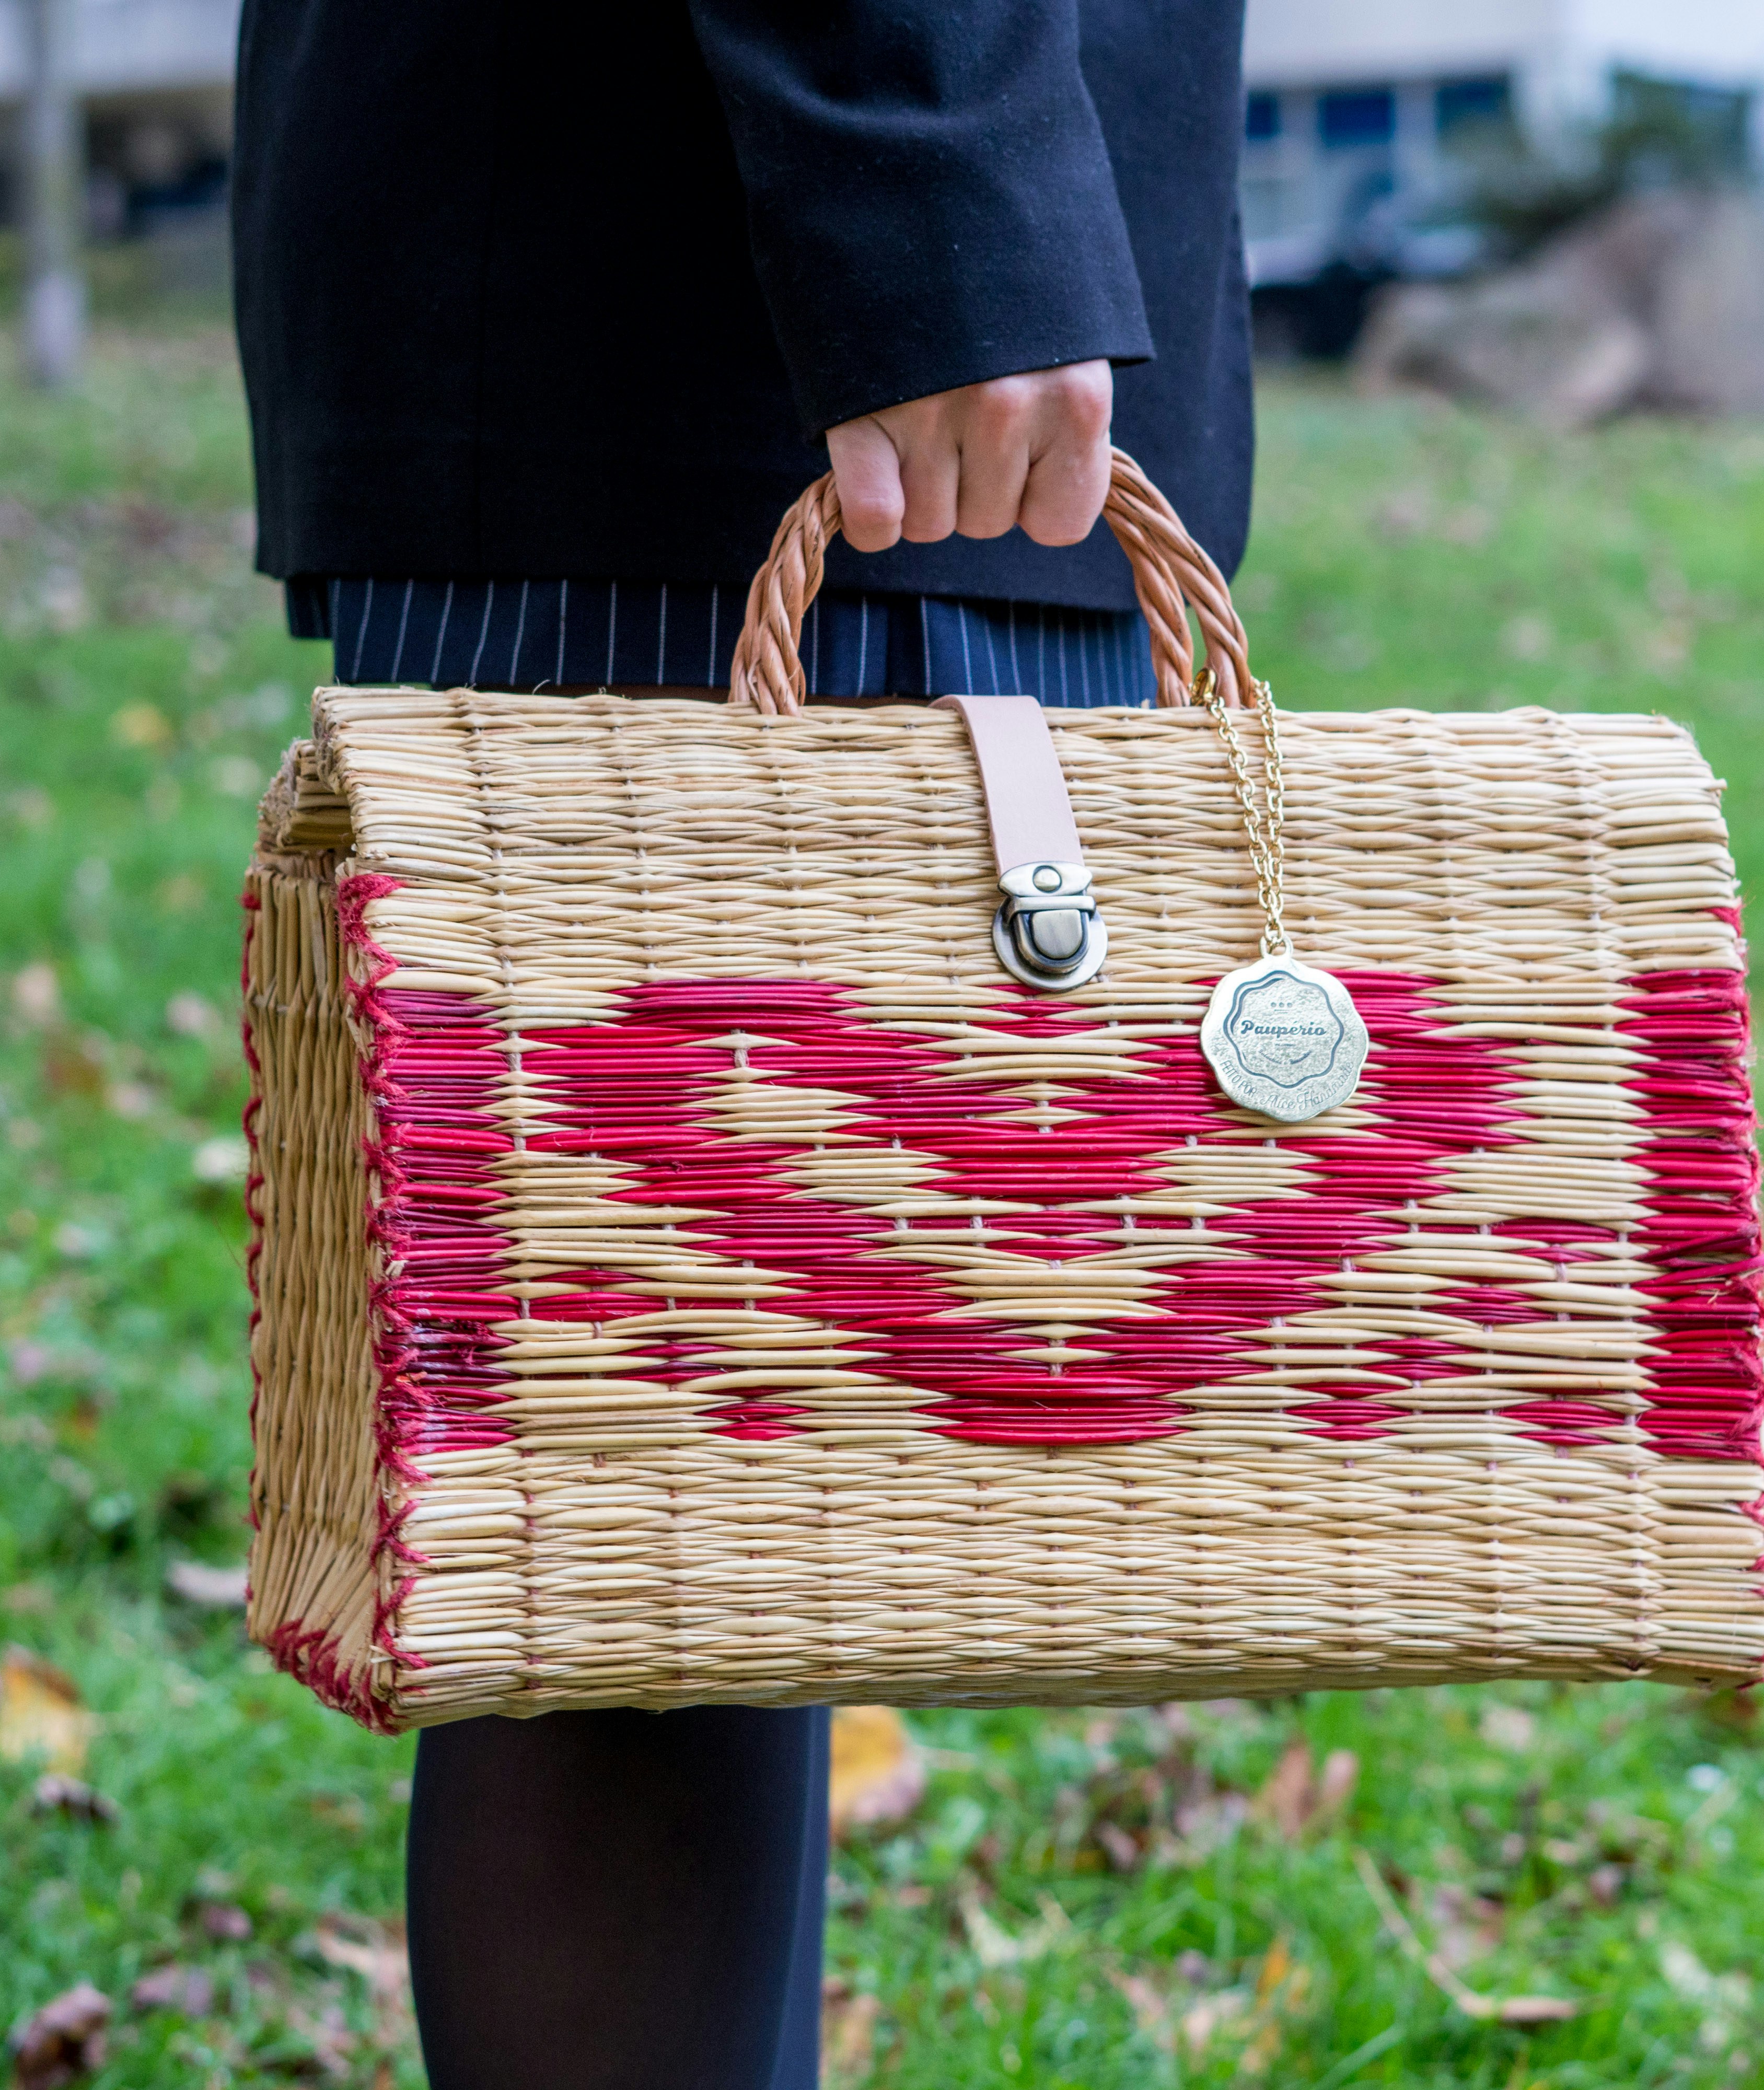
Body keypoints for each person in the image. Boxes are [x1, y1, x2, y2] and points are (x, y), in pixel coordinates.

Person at [228, 7, 1251, 2084]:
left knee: (701, 1522)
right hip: (755, 287)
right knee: (645, 1521)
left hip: (750, 283)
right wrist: (939, 182)